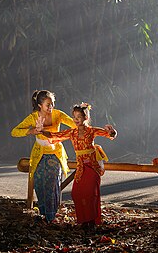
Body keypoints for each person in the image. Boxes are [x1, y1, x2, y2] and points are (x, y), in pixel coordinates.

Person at [41, 102, 117, 230]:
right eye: (74, 117)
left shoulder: (92, 131)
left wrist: (112, 131)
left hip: (93, 166)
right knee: (77, 193)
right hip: (81, 167)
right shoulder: (72, 132)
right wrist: (41, 131)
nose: (75, 120)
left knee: (90, 193)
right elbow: (56, 135)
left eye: (78, 117)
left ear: (85, 118)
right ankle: (83, 220)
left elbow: (110, 134)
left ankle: (91, 221)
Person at [11, 90, 76, 222]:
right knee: (39, 183)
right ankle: (44, 214)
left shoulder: (58, 114)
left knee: (53, 184)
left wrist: (63, 135)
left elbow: (76, 124)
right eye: (48, 104)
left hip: (55, 153)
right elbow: (14, 132)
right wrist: (32, 131)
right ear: (40, 105)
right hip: (39, 154)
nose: (51, 106)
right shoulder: (34, 117)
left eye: (52, 103)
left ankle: (51, 216)